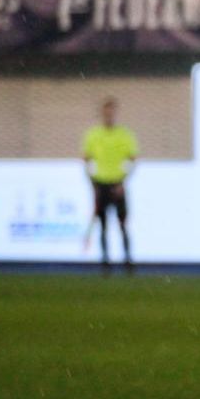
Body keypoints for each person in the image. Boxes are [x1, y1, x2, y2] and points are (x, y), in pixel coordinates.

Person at [82, 97, 137, 271]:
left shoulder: (124, 134)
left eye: (112, 111)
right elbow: (86, 160)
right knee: (103, 224)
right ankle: (105, 262)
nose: (109, 115)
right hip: (101, 184)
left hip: (117, 183)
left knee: (122, 223)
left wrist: (123, 180)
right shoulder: (93, 135)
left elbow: (133, 159)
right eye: (106, 112)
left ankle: (127, 260)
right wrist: (93, 183)